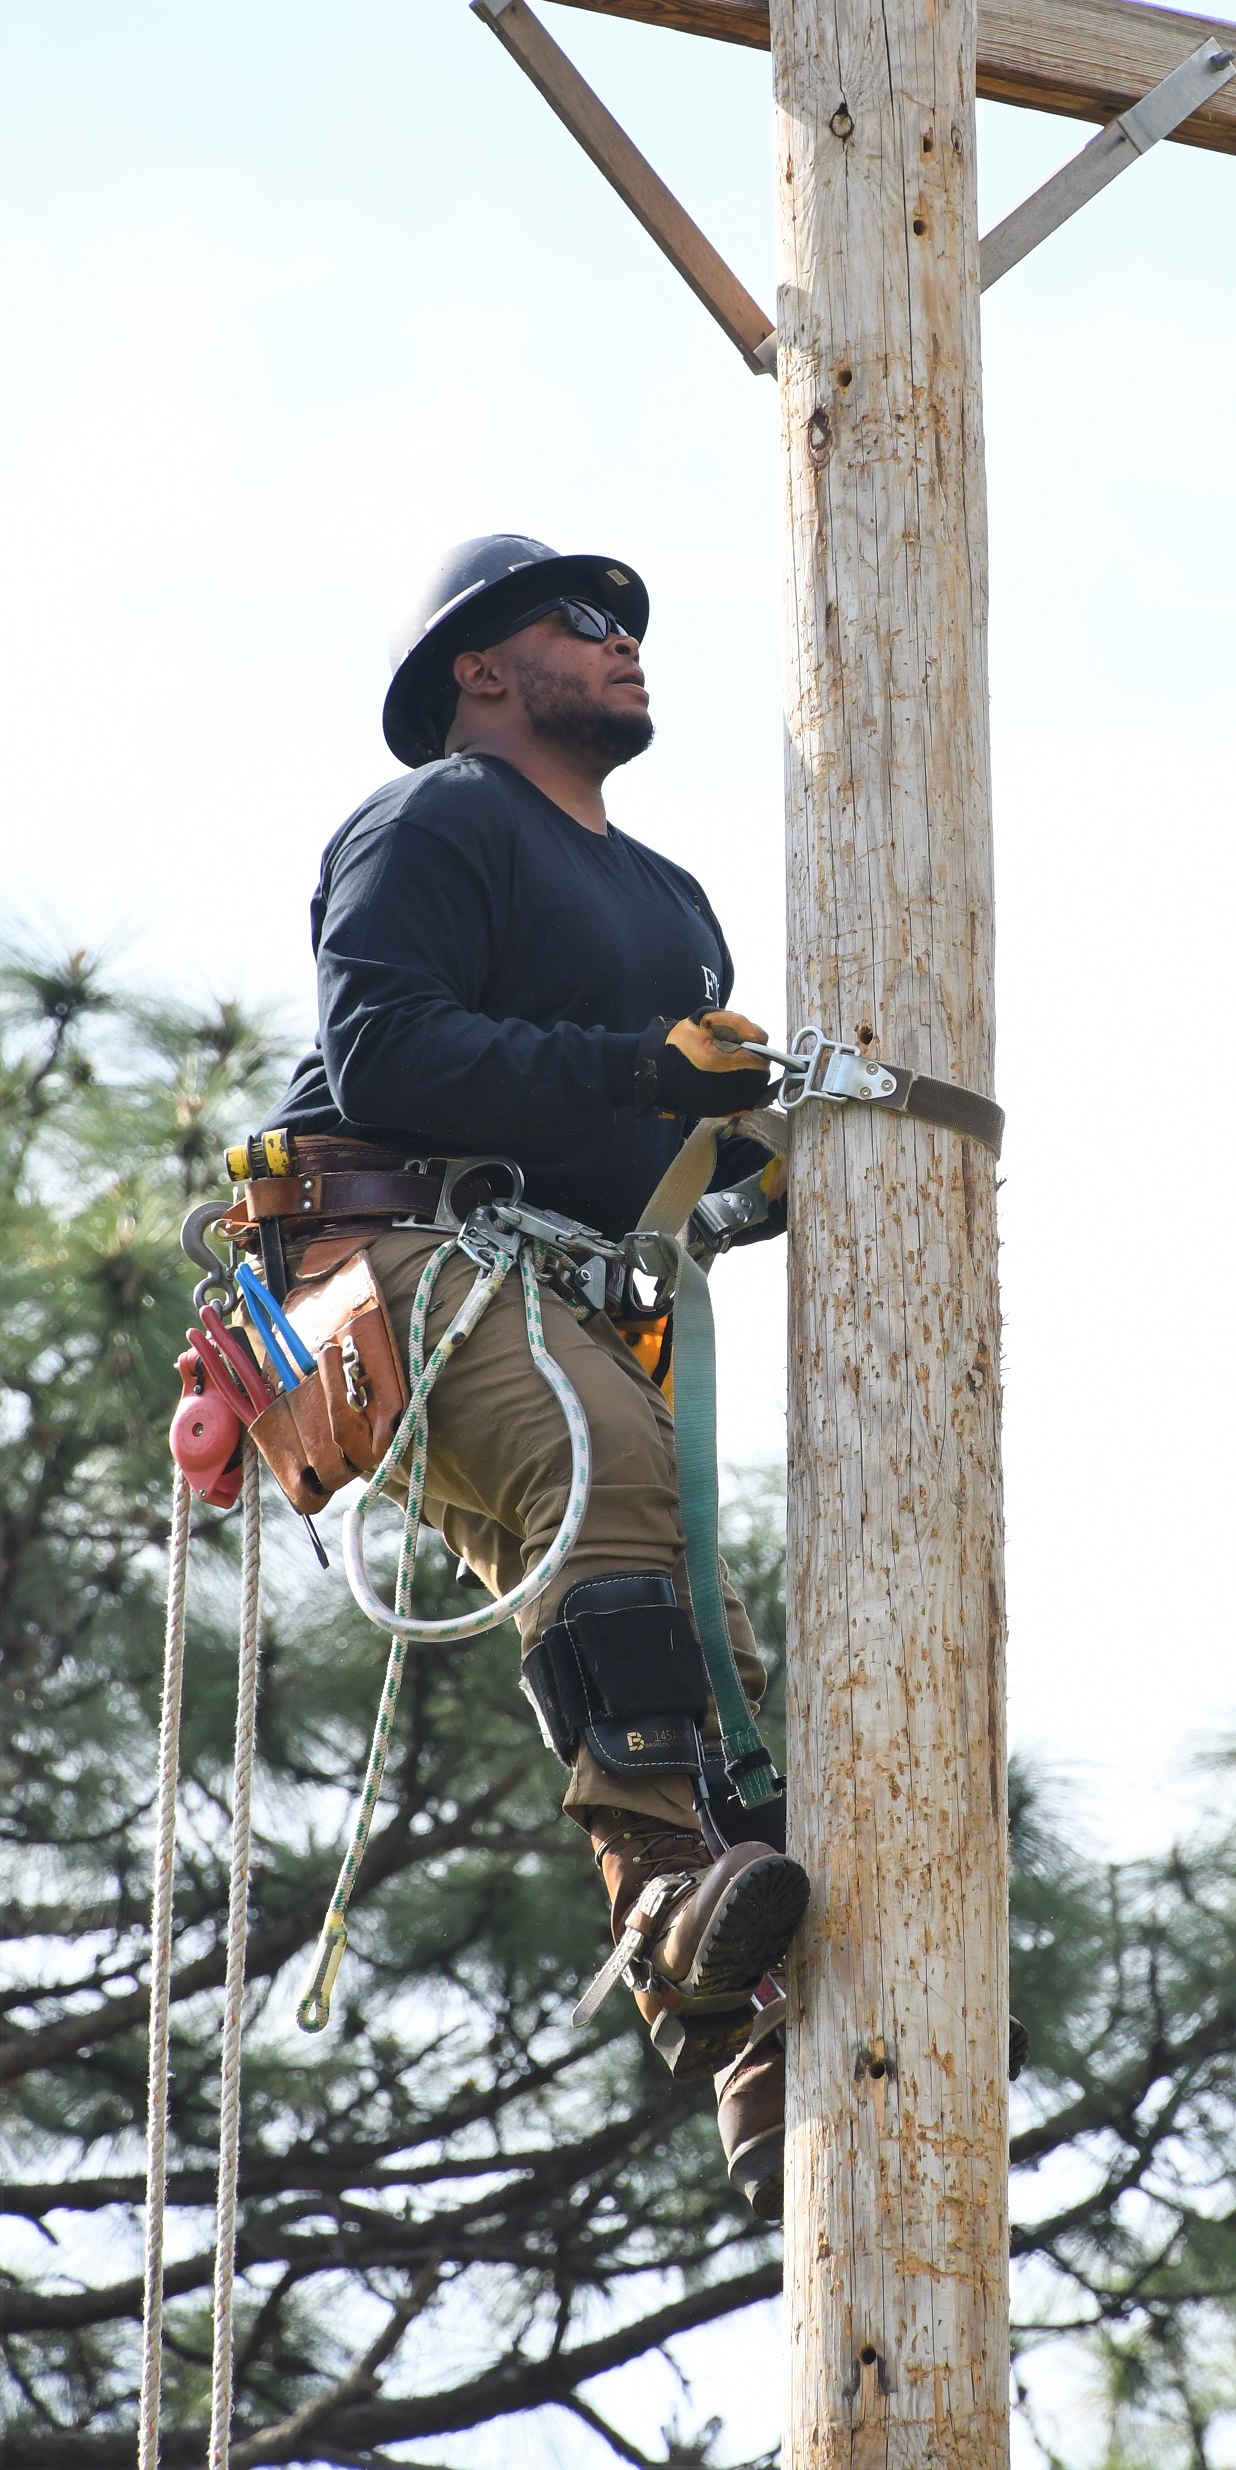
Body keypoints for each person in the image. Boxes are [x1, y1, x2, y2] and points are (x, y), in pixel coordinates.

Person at [262, 532, 804, 2218]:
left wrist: (741, 1161)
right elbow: (387, 1049)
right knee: (604, 1485)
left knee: (709, 1626)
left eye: (630, 621)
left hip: (541, 1270)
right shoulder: (438, 819)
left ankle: (753, 2028)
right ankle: (660, 1889)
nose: (625, 639)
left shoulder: (673, 904)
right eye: (584, 619)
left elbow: (623, 1138)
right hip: (378, 1250)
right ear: (479, 670)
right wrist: (641, 1073)